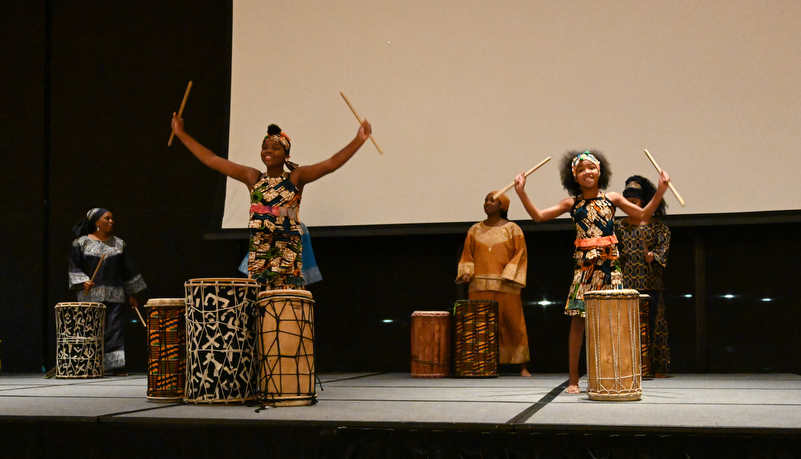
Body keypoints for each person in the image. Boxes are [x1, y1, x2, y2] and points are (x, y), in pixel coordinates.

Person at [513, 150, 668, 393]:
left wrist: (660, 191)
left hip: (610, 267)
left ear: (600, 172)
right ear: (574, 176)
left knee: (614, 323)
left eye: (592, 167)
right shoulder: (572, 203)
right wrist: (522, 192)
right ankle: (573, 379)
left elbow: (642, 215)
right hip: (585, 268)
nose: (588, 172)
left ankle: (615, 375)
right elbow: (538, 216)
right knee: (578, 324)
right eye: (582, 169)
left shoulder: (612, 198)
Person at [171, 114, 372, 289]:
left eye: (275, 148)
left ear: (287, 155)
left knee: (285, 311)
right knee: (262, 310)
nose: (268, 151)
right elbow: (212, 160)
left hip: (288, 256)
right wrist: (181, 133)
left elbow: (330, 164)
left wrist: (359, 140)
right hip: (259, 256)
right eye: (265, 147)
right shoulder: (253, 177)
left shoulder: (295, 178)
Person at [456, 192, 531, 376]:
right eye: (486, 200)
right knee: (481, 326)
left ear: (502, 206)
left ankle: (521, 365)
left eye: (492, 200)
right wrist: (467, 272)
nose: (487, 203)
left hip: (506, 286)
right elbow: (467, 255)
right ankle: (483, 363)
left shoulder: (513, 229)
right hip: (479, 286)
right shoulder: (474, 230)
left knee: (513, 325)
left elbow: (520, 254)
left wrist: (509, 273)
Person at [69, 208, 146, 376]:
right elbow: (74, 267)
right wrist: (83, 281)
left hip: (115, 295)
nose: (111, 221)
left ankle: (116, 367)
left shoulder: (119, 244)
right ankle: (89, 364)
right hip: (89, 295)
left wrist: (132, 294)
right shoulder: (80, 243)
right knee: (90, 330)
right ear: (96, 222)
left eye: (112, 218)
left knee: (115, 329)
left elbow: (128, 270)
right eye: (107, 218)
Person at [617, 175, 671, 377]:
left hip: (651, 284)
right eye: (628, 197)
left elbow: (663, 248)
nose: (631, 200)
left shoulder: (659, 228)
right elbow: (615, 254)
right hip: (627, 284)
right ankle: (628, 368)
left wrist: (653, 256)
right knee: (627, 329)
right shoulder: (619, 227)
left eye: (635, 197)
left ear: (644, 199)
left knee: (654, 327)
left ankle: (656, 368)